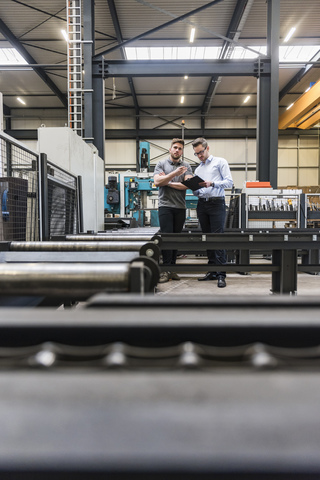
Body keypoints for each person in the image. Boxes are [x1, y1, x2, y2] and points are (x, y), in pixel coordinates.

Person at [192, 137, 233, 288]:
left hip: (217, 204)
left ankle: (221, 274)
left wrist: (212, 183)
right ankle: (212, 271)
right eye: (197, 154)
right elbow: (199, 192)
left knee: (218, 238)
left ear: (207, 148)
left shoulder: (220, 162)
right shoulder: (198, 169)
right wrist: (194, 189)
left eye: (201, 152)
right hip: (202, 204)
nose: (200, 156)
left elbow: (229, 182)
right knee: (207, 238)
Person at [154, 138, 193, 283]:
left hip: (180, 207)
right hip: (165, 206)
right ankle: (165, 271)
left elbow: (188, 185)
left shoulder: (187, 166)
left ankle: (172, 270)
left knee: (176, 239)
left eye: (180, 148)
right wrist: (175, 173)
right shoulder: (161, 164)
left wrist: (167, 182)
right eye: (175, 147)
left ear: (182, 151)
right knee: (166, 239)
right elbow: (157, 182)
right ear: (170, 149)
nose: (177, 150)